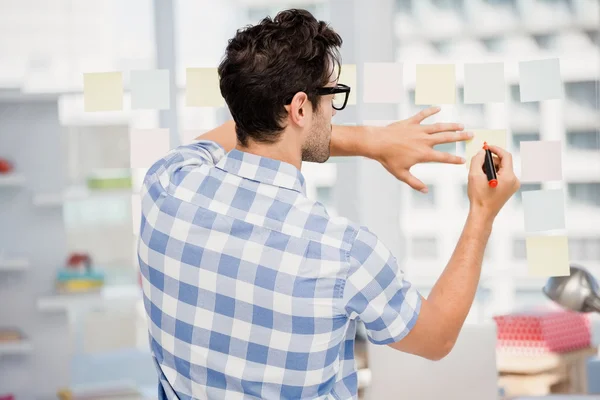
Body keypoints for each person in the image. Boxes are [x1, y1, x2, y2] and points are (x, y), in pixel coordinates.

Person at [137, 8, 520, 400]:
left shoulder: (167, 183)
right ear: (301, 107)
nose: (333, 112)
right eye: (332, 96)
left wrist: (372, 141)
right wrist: (482, 212)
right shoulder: (341, 252)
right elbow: (437, 336)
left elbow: (229, 132)